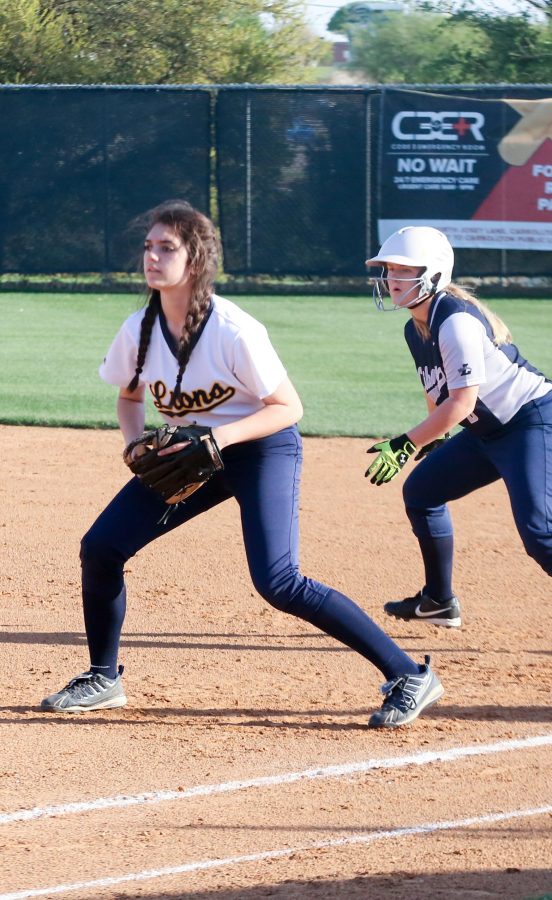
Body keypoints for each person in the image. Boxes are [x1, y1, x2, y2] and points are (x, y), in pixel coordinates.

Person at [41, 200, 443, 728]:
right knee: (101, 547)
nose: (152, 256)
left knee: (279, 582)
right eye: (148, 246)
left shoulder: (232, 328)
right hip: (190, 456)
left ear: (198, 259)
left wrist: (218, 438)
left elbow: (289, 408)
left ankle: (408, 673)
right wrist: (135, 445)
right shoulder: (139, 329)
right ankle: (103, 676)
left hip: (261, 446)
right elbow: (129, 397)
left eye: (167, 247)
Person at [365, 225, 552, 628]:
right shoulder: (415, 326)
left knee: (540, 533)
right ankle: (438, 601)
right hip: (487, 431)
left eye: (402, 270)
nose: (391, 279)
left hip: (530, 421)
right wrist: (434, 438)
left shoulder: (456, 322)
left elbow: (462, 401)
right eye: (389, 270)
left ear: (433, 275)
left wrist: (404, 444)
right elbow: (438, 392)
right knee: (422, 492)